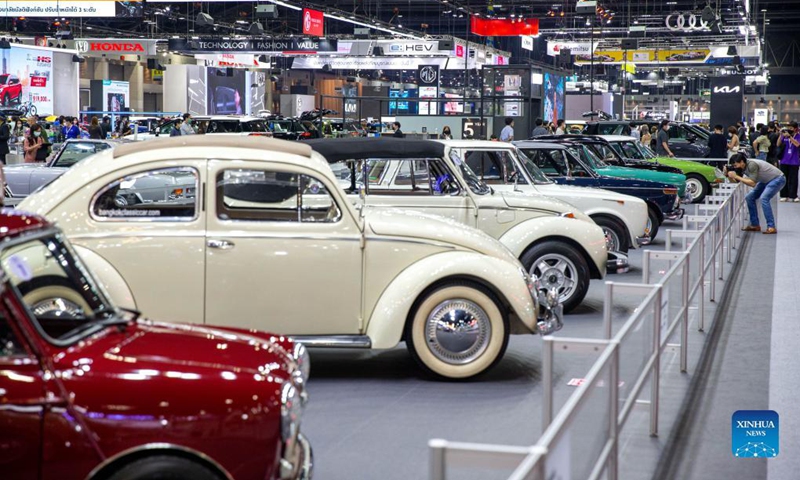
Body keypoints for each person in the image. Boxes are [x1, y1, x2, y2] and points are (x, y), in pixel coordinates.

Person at [727, 153, 785, 234]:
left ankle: (771, 227)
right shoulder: (742, 167)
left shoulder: (752, 165)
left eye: (735, 165)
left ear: (742, 162)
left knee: (764, 198)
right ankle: (755, 225)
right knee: (749, 197)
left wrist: (736, 176)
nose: (735, 167)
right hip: (765, 180)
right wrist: (728, 175)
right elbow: (736, 182)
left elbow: (752, 183)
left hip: (777, 179)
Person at [778, 121, 800, 202]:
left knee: (793, 179)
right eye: (788, 128)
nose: (789, 129)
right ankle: (784, 195)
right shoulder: (784, 136)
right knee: (784, 179)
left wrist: (790, 137)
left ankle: (793, 196)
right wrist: (781, 135)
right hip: (784, 160)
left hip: (794, 161)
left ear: (795, 129)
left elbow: (797, 144)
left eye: (791, 128)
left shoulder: (798, 136)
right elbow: (778, 144)